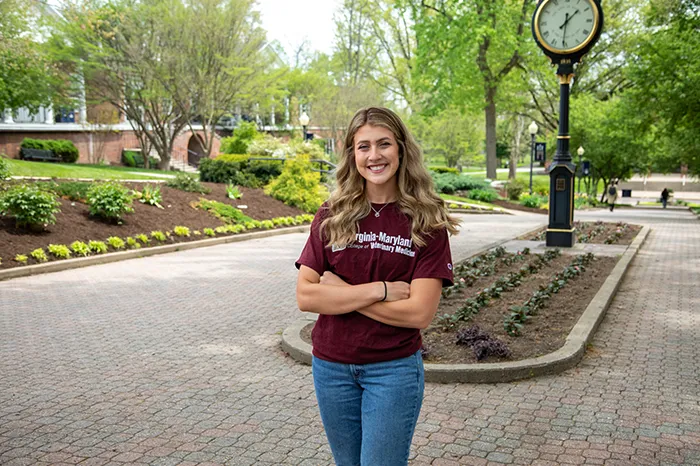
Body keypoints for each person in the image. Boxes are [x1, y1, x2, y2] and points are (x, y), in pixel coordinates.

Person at [295, 107, 459, 466]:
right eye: (363, 146)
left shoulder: (426, 220)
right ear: (352, 155)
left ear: (400, 150)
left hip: (393, 370)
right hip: (331, 367)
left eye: (383, 144)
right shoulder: (331, 214)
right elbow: (306, 296)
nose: (374, 156)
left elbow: (419, 312)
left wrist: (339, 292)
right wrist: (380, 290)